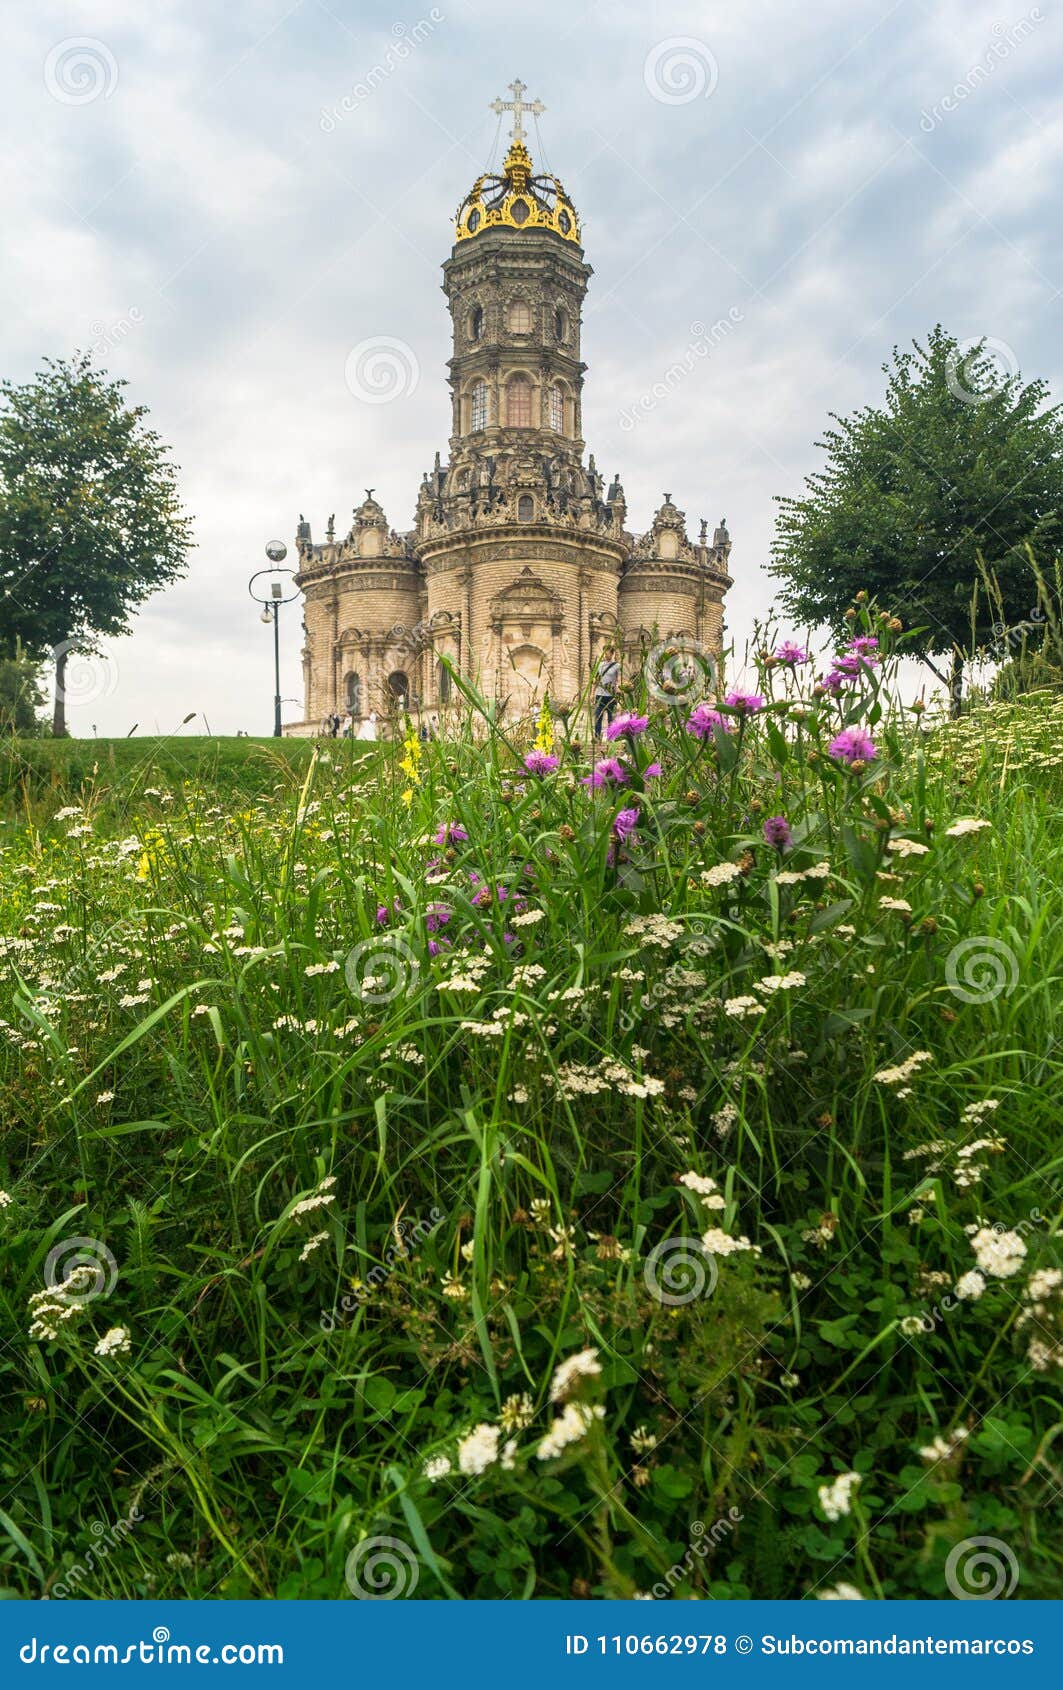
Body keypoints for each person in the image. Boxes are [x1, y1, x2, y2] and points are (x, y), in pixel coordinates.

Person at [593, 647, 620, 739]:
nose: (605, 655)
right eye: (604, 653)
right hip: (599, 695)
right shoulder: (599, 665)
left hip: (610, 695)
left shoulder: (616, 666)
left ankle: (611, 737)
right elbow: (596, 679)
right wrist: (592, 693)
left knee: (611, 718)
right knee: (598, 717)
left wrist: (618, 690)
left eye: (607, 653)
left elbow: (618, 680)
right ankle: (597, 737)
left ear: (612, 654)